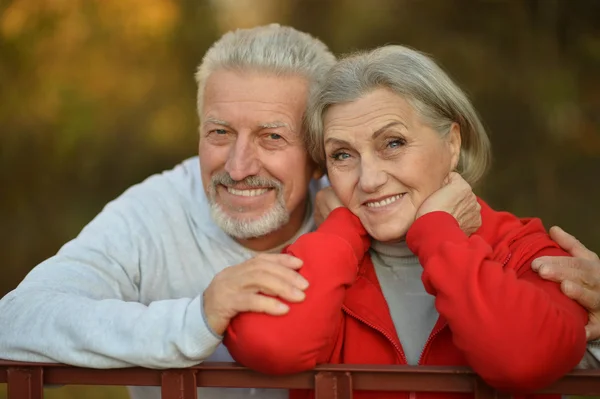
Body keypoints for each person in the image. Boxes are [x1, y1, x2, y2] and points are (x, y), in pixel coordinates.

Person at [0, 23, 599, 399]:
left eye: (272, 136)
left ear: (315, 156)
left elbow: (528, 345)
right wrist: (196, 318)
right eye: (217, 132)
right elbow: (15, 323)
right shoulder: (154, 212)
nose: (237, 166)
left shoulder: (405, 225)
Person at [223, 45, 596, 399]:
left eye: (393, 143)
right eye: (342, 155)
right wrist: (341, 228)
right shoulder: (317, 262)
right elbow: (270, 344)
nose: (368, 179)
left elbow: (524, 361)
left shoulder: (527, 253)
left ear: (451, 144)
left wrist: (438, 232)